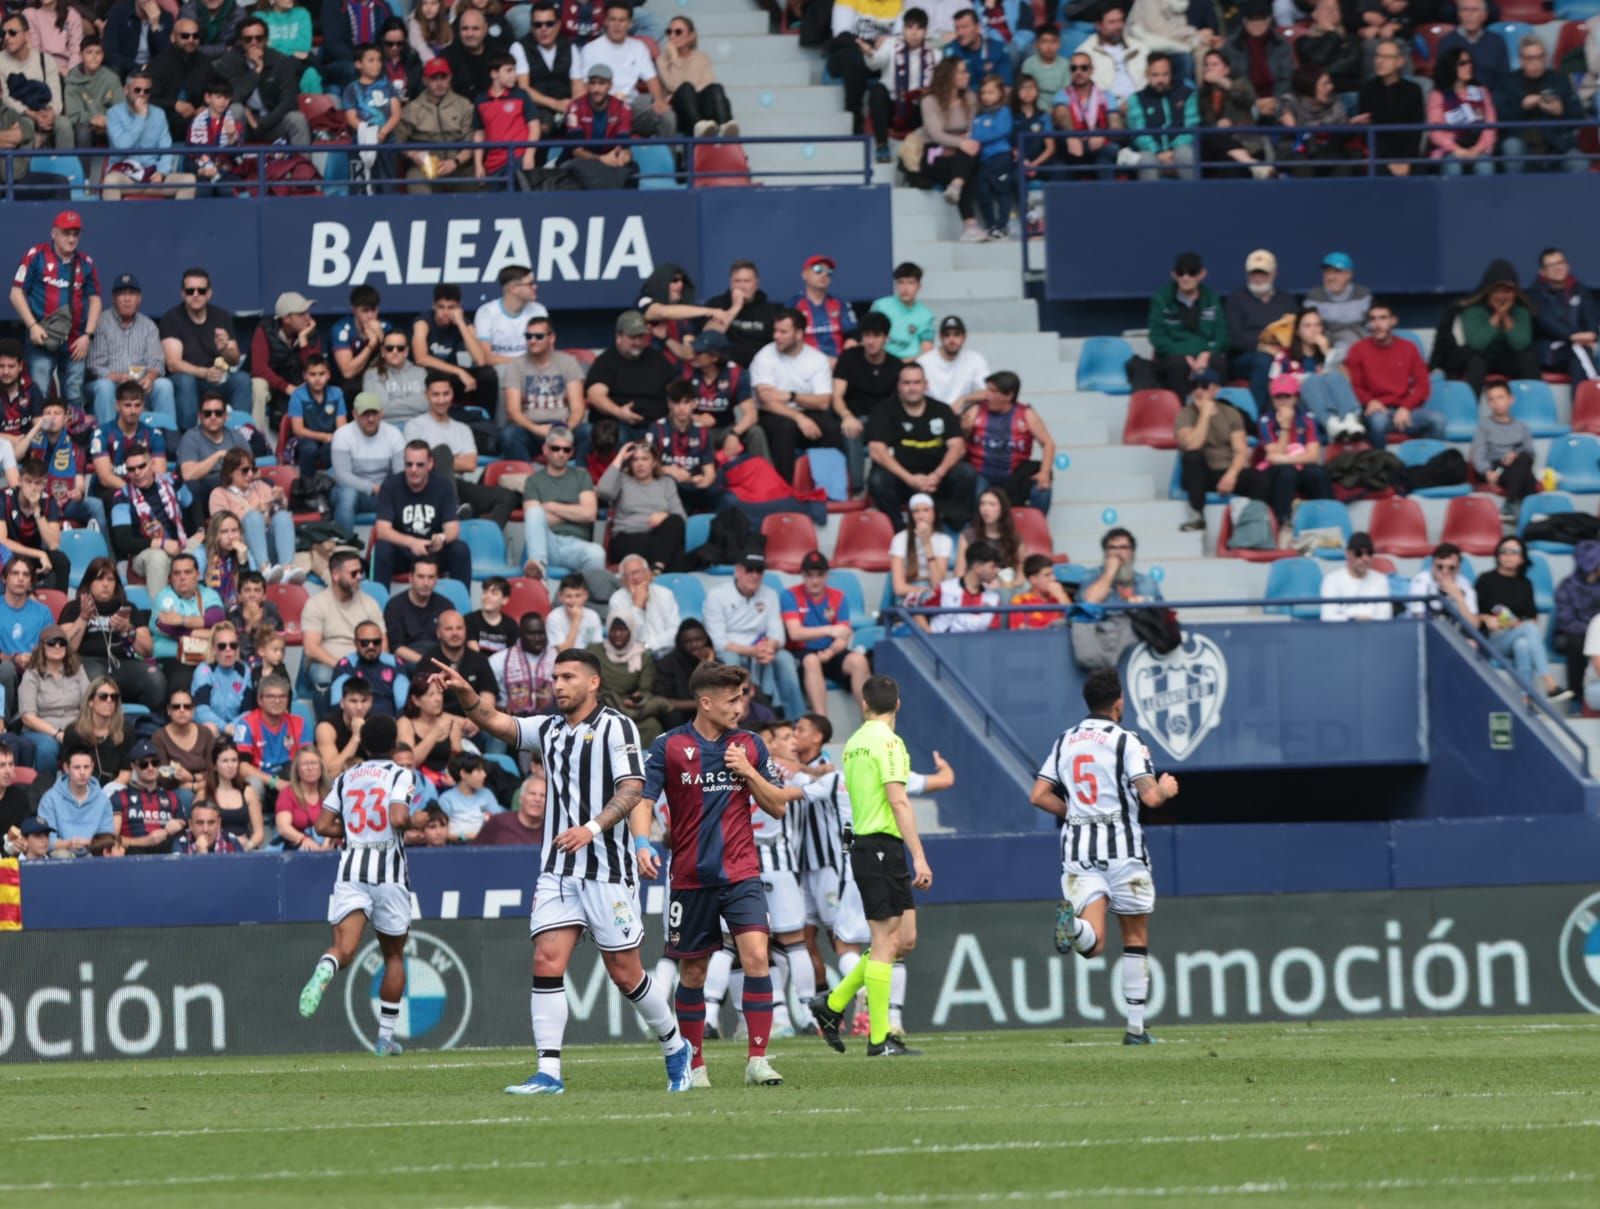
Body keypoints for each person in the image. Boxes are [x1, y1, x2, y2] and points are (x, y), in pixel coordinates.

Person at [432, 650, 691, 1093]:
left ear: (592, 683)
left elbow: (632, 789)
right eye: (555, 676)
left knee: (625, 973)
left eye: (568, 676)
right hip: (557, 869)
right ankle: (549, 1071)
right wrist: (467, 696)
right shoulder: (548, 728)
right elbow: (497, 722)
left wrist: (591, 828)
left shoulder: (616, 726)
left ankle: (674, 1045)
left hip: (607, 869)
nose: (559, 683)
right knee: (547, 960)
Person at [1030, 667, 1177, 1045]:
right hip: (1123, 849)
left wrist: (1076, 813)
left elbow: (1039, 795)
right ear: (1118, 703)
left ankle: (1073, 928)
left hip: (1078, 847)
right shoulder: (1128, 740)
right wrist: (1165, 788)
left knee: (1092, 944)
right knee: (1135, 935)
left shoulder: (1065, 740)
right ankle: (1135, 1029)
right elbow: (1148, 796)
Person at [808, 673, 933, 1056]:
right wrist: (919, 855)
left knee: (902, 940)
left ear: (863, 705)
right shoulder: (889, 743)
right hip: (880, 844)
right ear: (898, 705)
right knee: (884, 942)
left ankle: (830, 1004)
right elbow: (897, 800)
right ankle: (880, 1039)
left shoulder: (853, 743)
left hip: (869, 845)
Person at [295, 714, 418, 1055]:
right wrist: (415, 821)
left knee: (344, 949)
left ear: (363, 743)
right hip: (389, 874)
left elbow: (321, 825)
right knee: (393, 956)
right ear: (394, 744)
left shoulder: (347, 777)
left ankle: (325, 969)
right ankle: (383, 1039)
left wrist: (352, 833)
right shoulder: (401, 774)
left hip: (352, 869)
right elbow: (396, 818)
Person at [867, 362, 975, 533]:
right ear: (899, 386)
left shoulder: (942, 410)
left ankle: (951, 525)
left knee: (966, 473)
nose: (912, 388)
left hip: (937, 479)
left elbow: (958, 446)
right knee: (878, 480)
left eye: (917, 383)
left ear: (926, 385)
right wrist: (909, 478)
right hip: (902, 479)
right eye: (907, 383)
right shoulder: (884, 410)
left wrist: (938, 474)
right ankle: (900, 531)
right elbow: (876, 450)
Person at [10, 210, 100, 409]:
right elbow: (16, 293)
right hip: (41, 338)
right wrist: (32, 326)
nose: (71, 239)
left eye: (75, 234)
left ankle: (75, 438)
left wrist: (88, 336)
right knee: (40, 391)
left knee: (75, 394)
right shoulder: (36, 256)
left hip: (75, 341)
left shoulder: (86, 263)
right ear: (54, 233)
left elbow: (95, 300)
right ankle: (39, 438)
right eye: (66, 233)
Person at [704, 554, 806, 721]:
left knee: (785, 658)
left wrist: (769, 647)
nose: (755, 575)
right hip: (732, 649)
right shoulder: (717, 595)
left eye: (759, 570)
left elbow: (778, 634)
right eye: (749, 569)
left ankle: (797, 720)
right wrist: (753, 651)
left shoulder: (770, 594)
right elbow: (718, 641)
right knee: (731, 660)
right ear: (738, 571)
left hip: (761, 649)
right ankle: (734, 717)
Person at [750, 307, 845, 482]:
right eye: (775, 331)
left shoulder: (817, 359)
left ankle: (832, 490)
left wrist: (791, 396)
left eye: (783, 332)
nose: (776, 336)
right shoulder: (764, 357)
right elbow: (766, 400)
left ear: (799, 333)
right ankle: (785, 488)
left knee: (831, 427)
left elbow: (823, 402)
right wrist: (799, 417)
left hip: (806, 410)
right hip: (773, 413)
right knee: (787, 427)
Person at [1477, 535, 1567, 701]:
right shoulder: (1485, 580)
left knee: (1523, 645)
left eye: (1514, 552)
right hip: (1494, 639)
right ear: (1498, 555)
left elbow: (1532, 618)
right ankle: (1548, 681)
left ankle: (1525, 697)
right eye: (1504, 551)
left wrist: (1516, 624)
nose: (1508, 556)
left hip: (1516, 635)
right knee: (1528, 630)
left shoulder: (1525, 583)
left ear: (1522, 557)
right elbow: (1474, 614)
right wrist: (1487, 619)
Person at [159, 267, 249, 428]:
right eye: (190, 290)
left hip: (219, 380)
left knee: (241, 380)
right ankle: (187, 438)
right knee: (186, 381)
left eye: (201, 290)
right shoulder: (171, 318)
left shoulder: (222, 316)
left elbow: (234, 360)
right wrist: (205, 373)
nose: (195, 295)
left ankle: (242, 433)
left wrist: (224, 349)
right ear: (182, 294)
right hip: (190, 379)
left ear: (209, 294)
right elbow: (173, 364)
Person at [783, 551, 870, 716]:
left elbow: (843, 635)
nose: (814, 581)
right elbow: (794, 633)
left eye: (819, 575)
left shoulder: (838, 597)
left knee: (858, 660)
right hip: (802, 653)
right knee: (811, 660)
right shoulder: (790, 595)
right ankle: (822, 725)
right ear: (802, 575)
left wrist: (830, 652)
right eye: (809, 575)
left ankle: (870, 722)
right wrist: (829, 629)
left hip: (831, 652)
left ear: (827, 575)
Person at [570, 1, 675, 137]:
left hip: (633, 106)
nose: (617, 25)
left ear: (630, 24)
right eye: (612, 20)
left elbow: (651, 78)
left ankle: (668, 158)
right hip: (602, 107)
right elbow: (584, 87)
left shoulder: (639, 47)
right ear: (605, 22)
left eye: (622, 20)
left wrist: (659, 102)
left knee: (667, 116)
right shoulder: (590, 49)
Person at [372, 441, 471, 585]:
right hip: (403, 550)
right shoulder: (390, 485)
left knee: (460, 550)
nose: (413, 470)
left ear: (430, 464)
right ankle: (379, 605)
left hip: (433, 551)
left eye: (419, 465)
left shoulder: (443, 486)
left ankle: (462, 605)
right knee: (382, 548)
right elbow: (382, 531)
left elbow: (453, 528)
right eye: (409, 464)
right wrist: (412, 543)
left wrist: (442, 538)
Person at [1132, 251, 1228, 399]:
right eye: (1180, 272)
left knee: (1217, 363)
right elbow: (1158, 339)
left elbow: (1223, 337)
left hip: (1205, 354)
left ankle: (1214, 411)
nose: (1185, 277)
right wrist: (1190, 355)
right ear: (1173, 275)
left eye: (1192, 272)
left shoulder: (1211, 298)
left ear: (1202, 274)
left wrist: (1205, 354)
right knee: (1178, 365)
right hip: (1173, 357)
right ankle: (1180, 414)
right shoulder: (1161, 299)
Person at [1341, 301, 1438, 445]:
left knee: (1437, 420)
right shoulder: (1357, 350)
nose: (1377, 324)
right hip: (1375, 411)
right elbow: (1355, 386)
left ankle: (1426, 462)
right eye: (1373, 319)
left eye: (1383, 318)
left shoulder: (1409, 348)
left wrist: (1406, 407)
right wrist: (1369, 401)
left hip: (1404, 410)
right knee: (1378, 422)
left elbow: (1423, 386)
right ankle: (1380, 465)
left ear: (1393, 321)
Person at [87, 274, 175, 427]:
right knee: (104, 386)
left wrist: (150, 377)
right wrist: (119, 378)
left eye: (132, 294)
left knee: (164, 385)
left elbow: (157, 363)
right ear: (114, 298)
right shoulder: (101, 322)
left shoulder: (149, 326)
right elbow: (95, 366)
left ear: (139, 298)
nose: (127, 299)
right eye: (122, 294)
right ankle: (107, 438)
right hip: (112, 386)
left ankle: (168, 438)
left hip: (140, 386)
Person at [962, 370, 1053, 512]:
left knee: (1043, 488)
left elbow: (1048, 444)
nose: (987, 395)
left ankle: (1033, 528)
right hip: (981, 474)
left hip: (1013, 477)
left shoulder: (1026, 414)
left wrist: (1045, 473)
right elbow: (957, 444)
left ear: (1009, 395)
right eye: (987, 390)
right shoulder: (976, 410)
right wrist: (965, 430)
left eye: (993, 391)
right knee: (975, 490)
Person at [596, 439, 687, 574]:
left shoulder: (666, 482)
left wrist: (665, 516)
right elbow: (602, 491)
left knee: (675, 522)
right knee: (676, 556)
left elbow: (681, 519)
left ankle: (656, 569)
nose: (640, 464)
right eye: (635, 459)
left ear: (654, 462)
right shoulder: (622, 480)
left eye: (645, 459)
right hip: (626, 539)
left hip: (657, 537)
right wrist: (620, 456)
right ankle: (660, 566)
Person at [501, 315, 585, 461]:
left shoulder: (568, 362)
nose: (532, 341)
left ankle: (579, 478)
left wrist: (566, 430)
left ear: (551, 338)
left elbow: (578, 408)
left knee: (589, 432)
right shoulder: (516, 365)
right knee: (509, 435)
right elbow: (512, 411)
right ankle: (524, 481)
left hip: (562, 426)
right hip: (530, 429)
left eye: (538, 336)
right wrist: (537, 429)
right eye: (528, 336)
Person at [1498, 36, 1584, 176]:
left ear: (1546, 58)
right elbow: (1500, 117)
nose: (1535, 63)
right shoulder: (1508, 83)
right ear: (1521, 60)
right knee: (1511, 146)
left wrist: (1561, 110)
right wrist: (1522, 107)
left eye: (1539, 57)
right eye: (1530, 58)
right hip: (1523, 146)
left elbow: (1579, 115)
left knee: (1579, 162)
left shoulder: (1560, 80)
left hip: (1556, 148)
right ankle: (1514, 194)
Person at [1254, 376, 1332, 530]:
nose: (1282, 401)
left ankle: (1326, 522)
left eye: (1287, 396)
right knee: (1287, 473)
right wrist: (1285, 427)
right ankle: (1283, 523)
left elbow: (1314, 456)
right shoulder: (1265, 421)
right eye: (1278, 397)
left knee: (1318, 473)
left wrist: (1282, 459)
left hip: (1297, 465)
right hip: (1276, 471)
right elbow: (1274, 454)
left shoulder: (1307, 419)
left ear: (1296, 397)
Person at [919, 58, 984, 243]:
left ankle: (956, 187)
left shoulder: (969, 98)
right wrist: (959, 143)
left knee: (969, 156)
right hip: (935, 154)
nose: (967, 75)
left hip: (961, 154)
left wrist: (961, 144)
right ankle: (969, 225)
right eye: (962, 72)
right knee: (967, 160)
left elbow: (972, 130)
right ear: (949, 76)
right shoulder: (929, 101)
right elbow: (936, 134)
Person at [1453, 262, 1541, 395]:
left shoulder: (1521, 311)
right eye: (1497, 291)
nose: (1502, 296)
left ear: (1515, 293)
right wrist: (1497, 315)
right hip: (1482, 357)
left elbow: (1521, 344)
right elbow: (1477, 344)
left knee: (1528, 359)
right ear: (1488, 291)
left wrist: (1505, 316)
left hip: (1508, 358)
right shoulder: (1472, 310)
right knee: (1475, 361)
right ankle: (1469, 409)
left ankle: (1534, 406)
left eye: (1507, 291)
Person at [585, 310, 676, 439]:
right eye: (633, 337)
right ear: (619, 337)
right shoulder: (606, 362)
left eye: (641, 337)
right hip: (618, 425)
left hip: (656, 426)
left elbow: (676, 391)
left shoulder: (658, 359)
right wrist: (619, 413)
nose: (638, 342)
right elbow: (595, 396)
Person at [17, 624, 88, 775]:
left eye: (62, 642)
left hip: (73, 727)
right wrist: (57, 734)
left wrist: (79, 729)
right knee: (47, 747)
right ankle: (45, 790)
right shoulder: (31, 675)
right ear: (42, 646)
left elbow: (88, 703)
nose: (57, 646)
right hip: (41, 730)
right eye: (52, 642)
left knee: (88, 739)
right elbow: (28, 717)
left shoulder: (77, 670)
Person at [1528, 248, 1600, 382]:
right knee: (1579, 350)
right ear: (1542, 271)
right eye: (1551, 265)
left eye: (1560, 263)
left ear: (1568, 265)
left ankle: (1583, 400)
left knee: (1583, 351)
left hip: (1582, 345)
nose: (1557, 268)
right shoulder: (1535, 296)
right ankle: (1592, 397)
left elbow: (1591, 316)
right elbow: (1547, 323)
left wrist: (1592, 334)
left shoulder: (1581, 290)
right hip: (1550, 352)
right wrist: (1573, 336)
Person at [656, 13, 732, 137]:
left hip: (702, 108)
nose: (672, 36)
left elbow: (708, 83)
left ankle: (726, 130)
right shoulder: (662, 60)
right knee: (686, 89)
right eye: (669, 32)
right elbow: (674, 86)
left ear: (690, 36)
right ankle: (700, 130)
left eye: (678, 32)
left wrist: (690, 89)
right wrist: (674, 59)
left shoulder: (702, 57)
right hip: (679, 113)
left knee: (716, 88)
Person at [1125, 53, 1197, 183]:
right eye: (1155, 75)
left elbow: (1191, 126)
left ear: (1171, 74)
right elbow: (1139, 132)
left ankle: (1194, 198)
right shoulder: (1136, 99)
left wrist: (1172, 151)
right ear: (1147, 74)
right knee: (1145, 160)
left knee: (1186, 154)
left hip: (1179, 149)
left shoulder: (1187, 94)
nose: (1160, 80)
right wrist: (1158, 152)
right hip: (1152, 152)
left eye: (1165, 74)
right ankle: (1149, 202)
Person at [0, 456, 69, 590]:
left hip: (35, 554)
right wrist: (39, 554)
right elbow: (2, 540)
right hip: (11, 554)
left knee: (61, 560)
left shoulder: (48, 501)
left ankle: (61, 606)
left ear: (44, 484)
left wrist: (37, 508)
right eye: (28, 481)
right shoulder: (4, 497)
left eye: (37, 483)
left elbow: (53, 544)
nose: (32, 488)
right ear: (20, 481)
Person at [701, 260, 784, 369]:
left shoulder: (773, 310)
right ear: (730, 284)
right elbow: (708, 338)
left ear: (756, 284)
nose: (742, 286)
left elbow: (779, 345)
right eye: (737, 281)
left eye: (747, 281)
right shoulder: (716, 305)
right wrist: (736, 307)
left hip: (761, 370)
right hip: (723, 371)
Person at [1428, 46, 1496, 178]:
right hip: (1450, 150)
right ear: (1451, 67)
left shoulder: (1481, 91)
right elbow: (1435, 132)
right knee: (1453, 165)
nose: (1469, 66)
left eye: (1470, 62)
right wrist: (1457, 150)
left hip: (1478, 147)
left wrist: (1478, 149)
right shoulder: (1438, 95)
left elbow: (1491, 126)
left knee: (1485, 165)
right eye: (1462, 63)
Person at [112, 739, 188, 855]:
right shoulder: (119, 796)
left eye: (155, 762)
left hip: (169, 854)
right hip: (134, 855)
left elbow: (185, 825)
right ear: (133, 766)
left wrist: (179, 824)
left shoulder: (172, 797)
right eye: (144, 764)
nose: (150, 767)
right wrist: (146, 841)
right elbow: (112, 839)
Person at [1471, 381, 1538, 512]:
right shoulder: (1484, 426)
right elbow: (1478, 453)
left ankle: (1511, 502)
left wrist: (1515, 455)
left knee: (1523, 459)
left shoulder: (1522, 427)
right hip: (1498, 468)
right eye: (1491, 399)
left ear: (1510, 399)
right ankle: (1532, 512)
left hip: (1518, 465)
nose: (1496, 403)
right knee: (1528, 477)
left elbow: (1530, 454)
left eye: (1500, 397)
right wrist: (1487, 472)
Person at [37, 748, 115, 856]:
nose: (82, 772)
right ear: (66, 768)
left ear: (92, 767)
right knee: (62, 855)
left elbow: (107, 839)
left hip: (93, 854)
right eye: (77, 767)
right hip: (62, 855)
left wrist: (89, 844)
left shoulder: (103, 800)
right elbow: (45, 841)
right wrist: (69, 844)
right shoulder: (50, 798)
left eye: (86, 767)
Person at [0, 557, 53, 714]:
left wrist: (35, 657)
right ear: (4, 578)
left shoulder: (42, 612)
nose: (20, 579)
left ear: (31, 582)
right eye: (15, 573)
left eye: (26, 575)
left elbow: (53, 646)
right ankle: (4, 726)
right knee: (7, 669)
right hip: (5, 671)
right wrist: (14, 658)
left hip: (35, 669)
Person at [606, 555, 680, 658]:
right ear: (623, 580)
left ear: (649, 574)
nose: (635, 578)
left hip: (667, 653)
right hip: (632, 656)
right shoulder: (617, 600)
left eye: (638, 572)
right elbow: (626, 638)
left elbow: (675, 631)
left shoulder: (665, 594)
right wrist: (637, 606)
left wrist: (648, 646)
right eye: (629, 574)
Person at [917, 315, 990, 417]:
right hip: (931, 415)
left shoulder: (975, 359)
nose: (952, 340)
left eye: (957, 335)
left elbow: (987, 392)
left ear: (964, 337)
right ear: (940, 338)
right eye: (947, 335)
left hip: (961, 415)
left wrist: (964, 398)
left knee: (975, 412)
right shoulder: (924, 361)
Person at [889, 491, 952, 608]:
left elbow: (938, 584)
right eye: (916, 511)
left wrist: (927, 543)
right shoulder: (900, 539)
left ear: (934, 513)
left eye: (926, 510)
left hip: (934, 593)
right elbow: (899, 588)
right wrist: (927, 592)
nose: (921, 516)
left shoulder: (944, 540)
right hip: (908, 594)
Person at [383, 555, 449, 667]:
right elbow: (396, 648)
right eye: (421, 577)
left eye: (431, 577)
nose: (426, 583)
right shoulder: (394, 606)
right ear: (411, 578)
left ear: (436, 580)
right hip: (408, 661)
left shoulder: (445, 605)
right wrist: (426, 662)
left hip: (439, 661)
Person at [490, 610, 556, 718]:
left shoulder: (557, 659)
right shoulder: (499, 660)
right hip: (511, 723)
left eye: (541, 633)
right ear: (520, 634)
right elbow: (486, 694)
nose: (537, 638)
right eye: (532, 634)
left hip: (549, 722)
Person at [1436, 0, 1508, 95]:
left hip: (1491, 101)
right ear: (1459, 14)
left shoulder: (1497, 41)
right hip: (1455, 102)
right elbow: (1442, 80)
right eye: (1465, 10)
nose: (1469, 15)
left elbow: (1503, 80)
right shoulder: (1446, 42)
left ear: (1484, 15)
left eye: (1474, 10)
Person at [1319, 531, 1393, 623]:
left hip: (1372, 633)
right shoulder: (1331, 580)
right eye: (1359, 553)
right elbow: (1328, 616)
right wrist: (1354, 619)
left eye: (1369, 553)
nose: (1365, 558)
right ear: (1347, 554)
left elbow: (1384, 616)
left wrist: (1349, 616)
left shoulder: (1381, 580)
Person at [955, 486, 1024, 583]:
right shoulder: (968, 535)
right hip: (976, 588)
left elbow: (1021, 574)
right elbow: (959, 574)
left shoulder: (1015, 538)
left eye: (992, 504)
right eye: (982, 504)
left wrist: (1007, 587)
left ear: (1002, 508)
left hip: (1006, 588)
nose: (985, 509)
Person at [153, 686, 214, 794]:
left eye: (187, 706)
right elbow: (159, 771)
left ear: (193, 710)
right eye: (176, 707)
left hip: (204, 785)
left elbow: (214, 769)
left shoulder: (206, 733)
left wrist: (194, 779)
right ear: (169, 710)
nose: (182, 710)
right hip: (173, 791)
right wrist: (177, 774)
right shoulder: (159, 737)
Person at [318, 674, 376, 773]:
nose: (359, 707)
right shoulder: (326, 727)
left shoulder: (376, 723)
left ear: (371, 702)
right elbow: (331, 772)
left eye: (364, 701)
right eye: (353, 701)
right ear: (342, 703)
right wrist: (356, 737)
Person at [1406, 542, 1479, 621]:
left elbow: (1473, 625)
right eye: (1440, 567)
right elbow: (1419, 618)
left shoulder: (1465, 585)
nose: (1445, 572)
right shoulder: (1421, 581)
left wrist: (1458, 597)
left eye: (1451, 568)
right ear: (1433, 565)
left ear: (1458, 568)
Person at [475, 766, 545, 845]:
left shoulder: (552, 831)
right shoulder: (499, 822)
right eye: (532, 794)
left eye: (543, 796)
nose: (537, 799)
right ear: (521, 798)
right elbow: (474, 853)